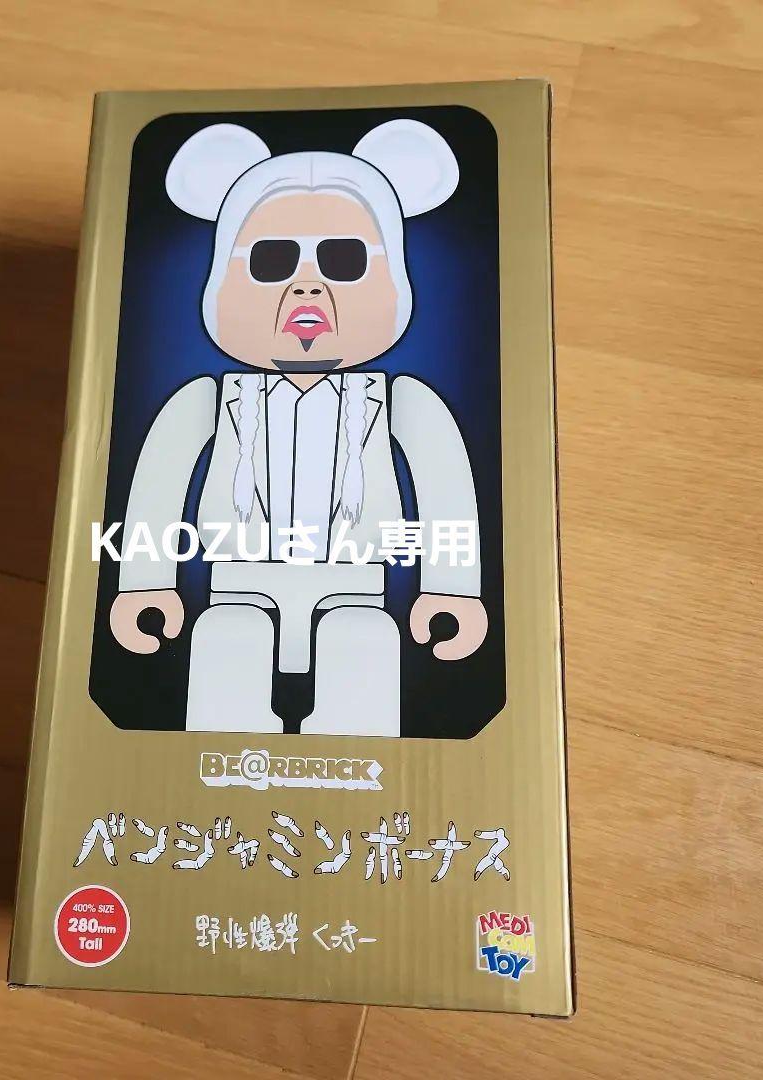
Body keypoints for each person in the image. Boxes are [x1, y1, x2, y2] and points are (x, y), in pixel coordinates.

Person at [110, 119, 486, 736]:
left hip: (357, 592)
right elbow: (156, 492)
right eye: (271, 260)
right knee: (226, 656)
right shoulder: (207, 402)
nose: (306, 285)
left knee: (362, 657)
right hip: (235, 591)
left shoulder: (402, 405)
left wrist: (451, 587)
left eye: (343, 260)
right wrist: (144, 583)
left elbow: (447, 494)